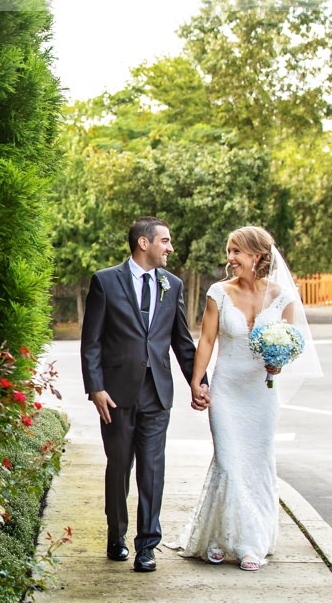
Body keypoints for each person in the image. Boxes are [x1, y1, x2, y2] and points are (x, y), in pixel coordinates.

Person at [176, 226, 319, 571]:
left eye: (236, 252)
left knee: (255, 464)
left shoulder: (282, 296)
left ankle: (250, 542)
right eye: (229, 251)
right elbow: (207, 341)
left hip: (262, 394)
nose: (230, 259)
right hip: (226, 391)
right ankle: (220, 538)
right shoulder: (217, 292)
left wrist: (278, 365)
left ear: (256, 256)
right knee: (228, 462)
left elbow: (290, 344)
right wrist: (197, 382)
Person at [81, 216, 210, 573]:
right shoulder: (105, 282)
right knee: (120, 467)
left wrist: (198, 382)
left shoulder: (173, 285)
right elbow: (91, 342)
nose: (170, 248)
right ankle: (116, 536)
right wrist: (95, 388)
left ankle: (147, 546)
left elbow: (183, 342)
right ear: (144, 243)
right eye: (165, 241)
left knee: (153, 470)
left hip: (157, 393)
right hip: (116, 395)